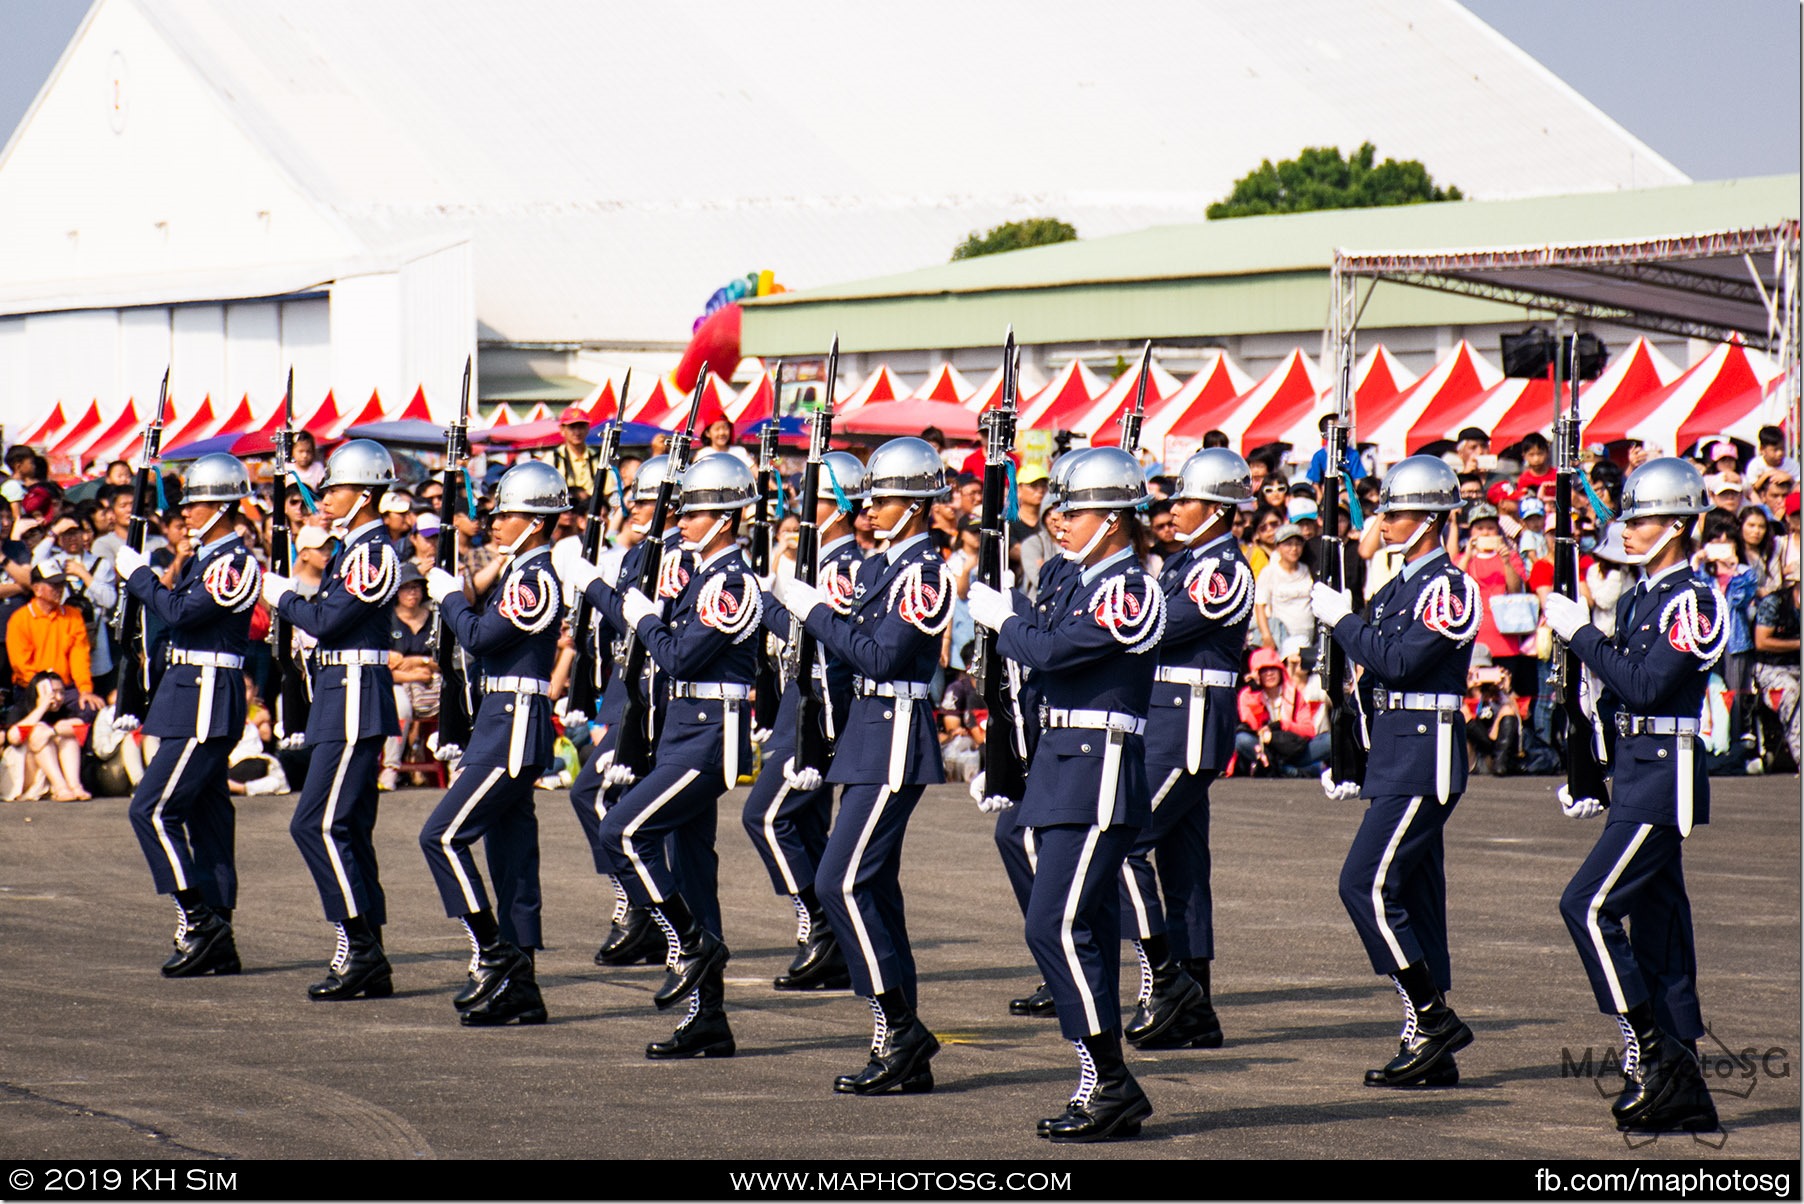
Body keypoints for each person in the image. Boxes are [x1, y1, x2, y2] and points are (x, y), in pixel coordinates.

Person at [967, 445, 1165, 1142]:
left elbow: (1051, 652)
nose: (1059, 522)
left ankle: (1110, 1080)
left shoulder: (1130, 587)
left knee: (1051, 925)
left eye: (1074, 511)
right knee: (1079, 931)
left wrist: (1005, 621)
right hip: (1059, 768)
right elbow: (1039, 647)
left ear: (1113, 520)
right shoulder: (1076, 579)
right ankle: (1098, 1081)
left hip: (1097, 772)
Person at [1542, 457, 1723, 1134]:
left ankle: (1649, 1051)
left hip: (1664, 777)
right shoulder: (1644, 596)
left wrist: (1582, 634)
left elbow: (1648, 687)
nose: (1630, 531)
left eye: (1642, 519)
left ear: (1678, 524)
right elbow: (1617, 691)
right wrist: (1586, 764)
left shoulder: (1694, 599)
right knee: (1660, 934)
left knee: (1586, 906)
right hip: (1634, 774)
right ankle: (1685, 1083)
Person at [770, 437, 953, 1094]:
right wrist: (780, 598)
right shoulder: (880, 567)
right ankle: (898, 1044)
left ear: (916, 503)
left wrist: (812, 608)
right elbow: (837, 646)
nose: (871, 507)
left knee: (839, 882)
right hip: (864, 740)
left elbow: (878, 657)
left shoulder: (926, 572)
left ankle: (900, 1026)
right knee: (872, 888)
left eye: (885, 496)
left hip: (898, 736)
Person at [569, 453, 762, 1059]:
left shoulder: (730, 582)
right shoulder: (703, 575)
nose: (681, 519)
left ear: (726, 520)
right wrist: (605, 589)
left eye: (696, 511)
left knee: (623, 830)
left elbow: (677, 655)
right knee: (695, 875)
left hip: (709, 738)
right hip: (679, 731)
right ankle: (710, 1018)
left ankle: (689, 942)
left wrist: (638, 610)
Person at [1310, 454, 1480, 1088]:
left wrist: (1344, 618)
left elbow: (1400, 664)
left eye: (1398, 510)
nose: (1384, 520)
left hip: (1423, 756)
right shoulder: (1398, 585)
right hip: (1393, 754)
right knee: (1415, 898)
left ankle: (1432, 1016)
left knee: (1365, 885)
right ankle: (1433, 1049)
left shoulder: (1450, 586)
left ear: (1433, 518)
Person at [418, 461, 566, 1026]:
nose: (494, 521)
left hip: (512, 726)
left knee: (443, 836)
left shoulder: (536, 578)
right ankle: (522, 988)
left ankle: (495, 953)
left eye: (505, 513)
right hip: (498, 722)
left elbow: (480, 638)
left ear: (533, 522)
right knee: (511, 863)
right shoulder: (515, 573)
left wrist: (450, 600)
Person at [1118, 447, 1252, 1053]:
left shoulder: (1222, 567)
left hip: (1189, 722)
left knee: (1127, 843)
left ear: (1219, 508)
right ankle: (1196, 1008)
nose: (1174, 509)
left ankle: (1166, 983)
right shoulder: (1186, 561)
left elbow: (1154, 627)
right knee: (1183, 867)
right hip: (1167, 720)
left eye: (1188, 499)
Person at [262, 440, 403, 1001]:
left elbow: (329, 619)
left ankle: (360, 946)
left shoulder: (373, 553)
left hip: (353, 700)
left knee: (317, 825)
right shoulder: (352, 550)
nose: (323, 499)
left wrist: (283, 595)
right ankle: (369, 950)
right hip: (337, 696)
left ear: (364, 495)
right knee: (345, 828)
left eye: (334, 489)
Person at [113, 454, 262, 976]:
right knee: (209, 818)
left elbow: (180, 612)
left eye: (196, 503)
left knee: (151, 810)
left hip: (205, 695)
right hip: (187, 691)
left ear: (222, 507)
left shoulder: (234, 561)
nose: (187, 512)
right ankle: (220, 936)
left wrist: (140, 578)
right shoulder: (205, 557)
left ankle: (201, 921)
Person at [741, 450, 867, 992]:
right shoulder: (820, 562)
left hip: (822, 705)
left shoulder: (842, 567)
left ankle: (821, 925)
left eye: (813, 497)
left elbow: (815, 642)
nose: (802, 508)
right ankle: (828, 939)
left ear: (837, 506)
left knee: (767, 816)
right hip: (800, 698)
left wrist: (760, 599)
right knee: (804, 821)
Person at [1253, 522, 1312, 650]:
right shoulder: (1269, 572)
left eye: (1298, 544)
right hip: (1281, 637)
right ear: (1278, 547)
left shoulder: (1307, 569)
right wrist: (1266, 635)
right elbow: (1259, 606)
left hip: (1307, 636)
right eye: (1288, 544)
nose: (1294, 549)